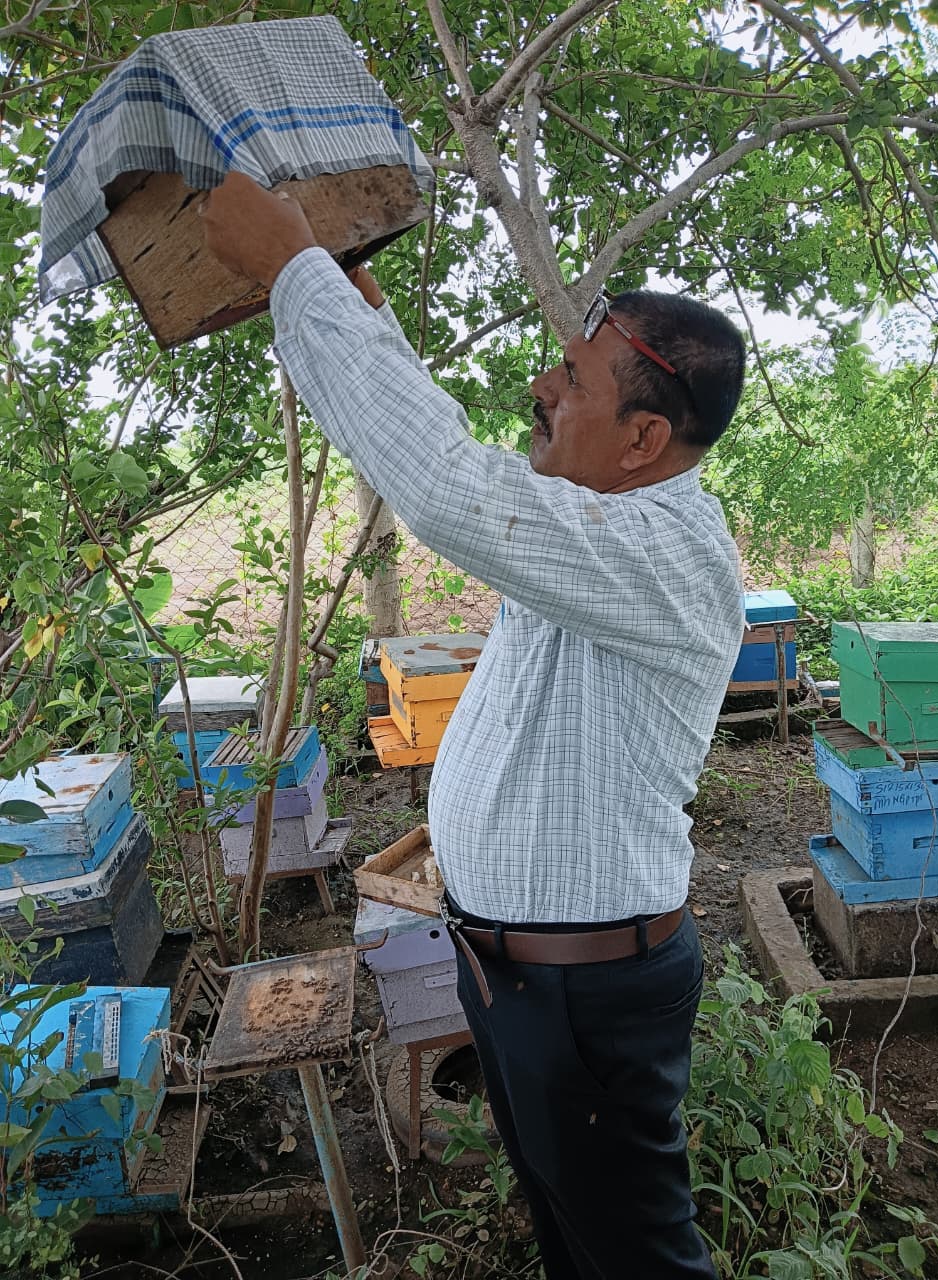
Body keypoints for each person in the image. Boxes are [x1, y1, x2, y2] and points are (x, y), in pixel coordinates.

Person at [201, 172, 746, 1280]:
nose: (542, 384)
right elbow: (451, 472)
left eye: (576, 377)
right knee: (575, 1242)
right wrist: (361, 317)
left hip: (582, 993)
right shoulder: (597, 525)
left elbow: (447, 487)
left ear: (643, 438)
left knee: (640, 1260)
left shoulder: (666, 555)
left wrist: (296, 270)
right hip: (516, 972)